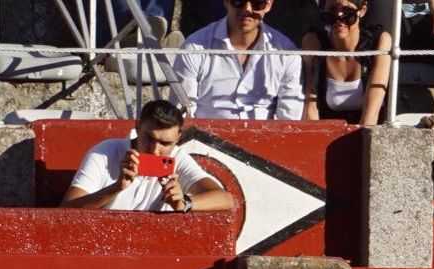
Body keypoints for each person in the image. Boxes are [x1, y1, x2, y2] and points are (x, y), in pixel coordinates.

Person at [61, 99, 234, 214]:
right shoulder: (105, 152)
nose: (154, 150)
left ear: (178, 138)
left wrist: (185, 203)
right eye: (149, 139)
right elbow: (66, 210)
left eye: (165, 144)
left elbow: (226, 199)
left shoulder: (177, 158)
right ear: (137, 127)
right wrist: (115, 188)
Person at [171, 0, 303, 120]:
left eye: (258, 4)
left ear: (268, 5)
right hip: (205, 141)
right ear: (226, 2)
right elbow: (183, 113)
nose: (247, 10)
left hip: (264, 140)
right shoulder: (194, 46)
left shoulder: (286, 52)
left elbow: (289, 117)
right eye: (238, 2)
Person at [301, 0, 393, 126]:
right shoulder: (314, 43)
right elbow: (311, 107)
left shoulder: (379, 41)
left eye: (347, 10)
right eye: (332, 9)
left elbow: (370, 117)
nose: (339, 16)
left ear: (362, 10)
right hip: (328, 132)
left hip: (369, 133)